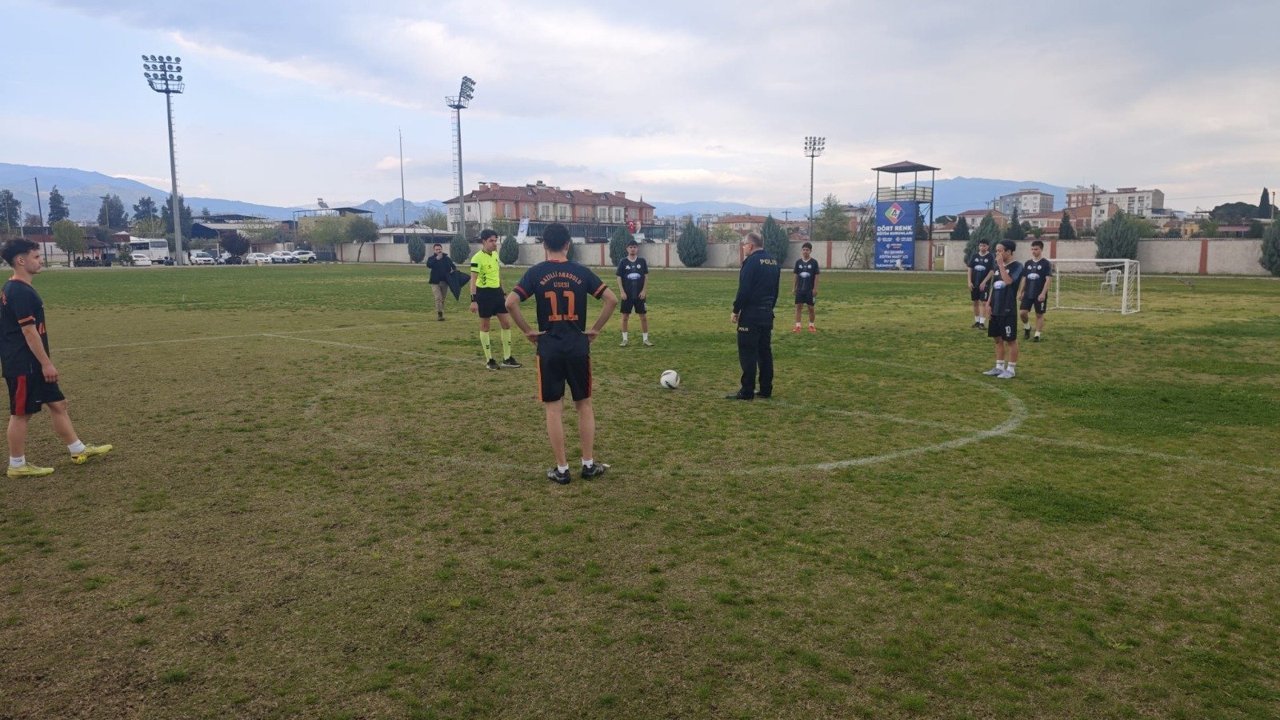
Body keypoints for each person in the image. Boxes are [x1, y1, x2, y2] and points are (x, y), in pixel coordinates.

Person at [506, 223, 618, 484]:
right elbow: (612, 299)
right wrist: (595, 329)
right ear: (568, 244)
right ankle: (588, 464)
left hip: (549, 349)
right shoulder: (581, 271)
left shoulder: (536, 273)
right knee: (584, 405)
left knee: (554, 409)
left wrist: (528, 331)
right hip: (578, 347)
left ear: (544, 245)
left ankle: (562, 469)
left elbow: (510, 302)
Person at [0, 239, 111, 478]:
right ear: (21, 260)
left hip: (33, 363)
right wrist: (46, 363)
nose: (40, 261)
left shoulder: (16, 287)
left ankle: (77, 450)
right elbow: (29, 332)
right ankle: (17, 465)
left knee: (58, 404)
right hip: (24, 364)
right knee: (21, 414)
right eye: (36, 257)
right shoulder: (18, 290)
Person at [728, 232, 780, 400]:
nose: (743, 247)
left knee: (748, 352)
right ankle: (766, 389)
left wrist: (736, 310)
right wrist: (769, 308)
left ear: (750, 245)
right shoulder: (773, 261)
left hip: (751, 315)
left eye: (744, 244)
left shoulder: (751, 262)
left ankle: (747, 390)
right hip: (767, 313)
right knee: (764, 352)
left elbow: (744, 290)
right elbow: (775, 290)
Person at [468, 229, 520, 370]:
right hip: (483, 294)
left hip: (497, 293)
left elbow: (497, 274)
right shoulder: (476, 258)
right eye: (491, 241)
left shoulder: (495, 255)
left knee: (506, 323)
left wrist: (503, 292)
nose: (494, 243)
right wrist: (473, 300)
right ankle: (489, 360)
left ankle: (507, 358)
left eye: (495, 240)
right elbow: (473, 279)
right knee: (485, 326)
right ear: (484, 241)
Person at [982, 240, 1024, 379]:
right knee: (997, 339)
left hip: (1008, 309)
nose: (997, 253)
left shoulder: (1017, 266)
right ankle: (999, 367)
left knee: (1010, 340)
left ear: (1009, 252)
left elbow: (1008, 281)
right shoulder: (997, 266)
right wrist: (988, 303)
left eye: (1000, 251)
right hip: (995, 308)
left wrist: (1000, 265)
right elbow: (994, 286)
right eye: (996, 251)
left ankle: (1011, 369)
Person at [615, 239, 652, 347]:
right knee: (625, 317)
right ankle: (624, 340)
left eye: (634, 247)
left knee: (643, 317)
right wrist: (622, 292)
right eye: (630, 247)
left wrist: (644, 290)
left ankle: (645, 339)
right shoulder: (623, 262)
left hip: (640, 295)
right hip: (627, 295)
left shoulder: (642, 261)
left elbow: (646, 277)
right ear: (627, 249)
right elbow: (618, 277)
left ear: (637, 249)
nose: (632, 249)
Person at [1019, 239, 1053, 342]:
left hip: (1039, 294)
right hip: (1028, 293)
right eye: (1032, 249)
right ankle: (1027, 327)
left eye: (1036, 249)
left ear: (1041, 250)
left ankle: (1037, 335)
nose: (1034, 251)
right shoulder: (1028, 263)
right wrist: (1021, 292)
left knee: (1039, 314)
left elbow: (1048, 279)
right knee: (1022, 313)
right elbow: (1024, 278)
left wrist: (1043, 293)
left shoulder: (1046, 263)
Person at [792, 241, 820, 333]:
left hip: (809, 290)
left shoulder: (814, 262)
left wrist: (815, 289)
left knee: (811, 308)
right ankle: (798, 326)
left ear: (810, 251)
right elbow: (796, 275)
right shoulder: (798, 262)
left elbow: (816, 276)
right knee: (798, 307)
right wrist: (794, 287)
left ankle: (811, 325)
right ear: (801, 251)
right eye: (803, 250)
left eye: (807, 250)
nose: (805, 251)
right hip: (800, 290)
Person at [425, 242, 456, 321]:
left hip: (445, 282)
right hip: (435, 282)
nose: (438, 251)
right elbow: (428, 265)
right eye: (436, 249)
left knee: (442, 299)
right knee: (438, 298)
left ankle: (441, 311)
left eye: (439, 249)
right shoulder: (432, 258)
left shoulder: (446, 258)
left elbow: (453, 266)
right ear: (434, 250)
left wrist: (453, 271)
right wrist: (436, 259)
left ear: (441, 249)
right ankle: (440, 314)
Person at [967, 240, 994, 329]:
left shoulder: (990, 256)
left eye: (984, 246)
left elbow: (992, 271)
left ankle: (982, 323)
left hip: (984, 285)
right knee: (975, 302)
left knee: (983, 302)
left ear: (988, 247)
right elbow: (970, 268)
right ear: (979, 246)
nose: (982, 247)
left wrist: (984, 282)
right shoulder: (974, 256)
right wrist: (969, 281)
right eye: (981, 246)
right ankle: (977, 321)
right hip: (974, 283)